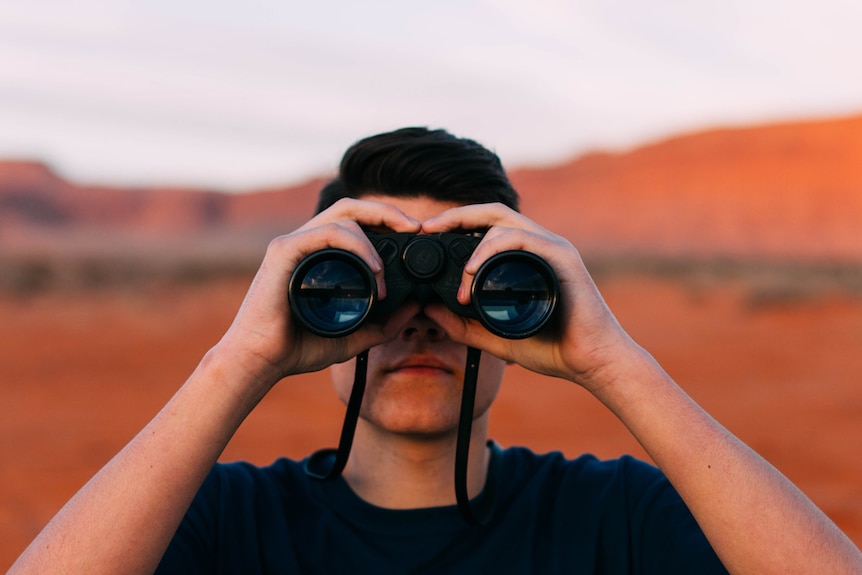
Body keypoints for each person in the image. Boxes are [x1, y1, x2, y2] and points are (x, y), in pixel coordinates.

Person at [9, 127, 862, 574]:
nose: (419, 319)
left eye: (470, 289)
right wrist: (239, 358)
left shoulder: (618, 516)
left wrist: (616, 361)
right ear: (301, 301)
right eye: (362, 287)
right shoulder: (223, 519)